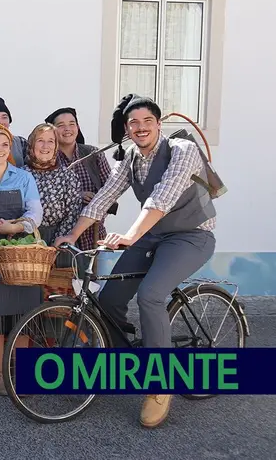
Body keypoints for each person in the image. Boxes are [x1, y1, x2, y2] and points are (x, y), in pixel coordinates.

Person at [54, 95, 217, 428]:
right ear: (127, 129)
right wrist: (73, 233)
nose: (140, 128)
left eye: (146, 122)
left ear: (159, 124)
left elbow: (162, 198)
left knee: (151, 295)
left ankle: (161, 384)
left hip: (191, 235)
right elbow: (105, 195)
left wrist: (129, 235)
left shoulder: (182, 152)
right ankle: (115, 366)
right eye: (133, 124)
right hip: (153, 235)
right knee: (109, 299)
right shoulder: (131, 156)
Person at [0, 123, 43, 396]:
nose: (0, 149)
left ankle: (21, 371)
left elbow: (35, 211)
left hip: (22, 250)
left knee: (23, 312)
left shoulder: (24, 178)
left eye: (5, 145)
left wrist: (16, 228)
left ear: (11, 148)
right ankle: (0, 372)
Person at [47, 107, 115, 250]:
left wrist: (96, 200)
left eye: (72, 124)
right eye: (61, 125)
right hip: (60, 236)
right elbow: (45, 197)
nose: (67, 129)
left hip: (94, 234)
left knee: (94, 271)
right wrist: (77, 196)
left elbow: (111, 191)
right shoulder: (48, 158)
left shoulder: (93, 154)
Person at [22, 123, 81, 252]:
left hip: (58, 243)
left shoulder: (68, 177)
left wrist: (55, 246)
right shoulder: (20, 175)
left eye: (51, 141)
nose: (45, 146)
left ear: (56, 146)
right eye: (40, 141)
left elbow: (72, 215)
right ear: (31, 144)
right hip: (24, 242)